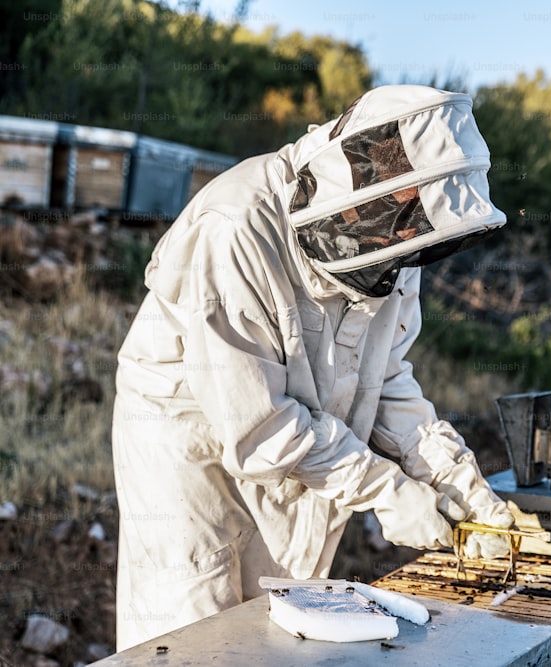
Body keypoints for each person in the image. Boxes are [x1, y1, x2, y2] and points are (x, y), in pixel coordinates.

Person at [111, 85, 515, 650]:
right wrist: (388, 491)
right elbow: (261, 427)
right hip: (187, 436)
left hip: (293, 423)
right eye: (400, 231)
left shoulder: (398, 238)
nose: (405, 248)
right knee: (192, 621)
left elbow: (388, 376)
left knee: (272, 616)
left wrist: (462, 485)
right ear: (361, 195)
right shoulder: (234, 227)